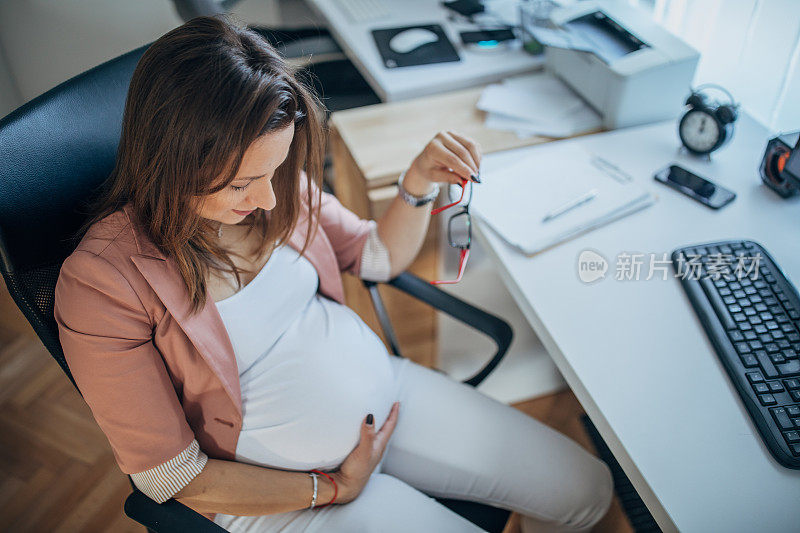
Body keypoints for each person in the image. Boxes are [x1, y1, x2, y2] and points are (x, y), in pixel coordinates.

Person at [53, 15, 613, 533]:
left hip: (388, 401)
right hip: (287, 498)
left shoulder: (271, 190)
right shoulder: (102, 285)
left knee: (587, 490)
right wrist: (331, 487)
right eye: (239, 183)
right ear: (169, 163)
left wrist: (414, 183)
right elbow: (171, 477)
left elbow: (377, 258)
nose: (269, 196)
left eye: (274, 169)